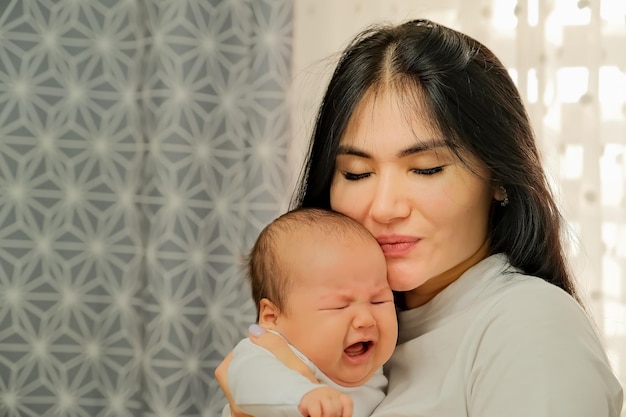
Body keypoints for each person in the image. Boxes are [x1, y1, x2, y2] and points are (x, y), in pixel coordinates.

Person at [217, 18, 624, 416]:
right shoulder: (329, 332)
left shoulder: (531, 327)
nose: (385, 208)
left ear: (498, 177)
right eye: (357, 173)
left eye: (426, 168)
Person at [223, 208, 398, 417]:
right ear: (271, 317)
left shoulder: (385, 366)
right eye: (339, 306)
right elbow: (247, 380)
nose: (366, 319)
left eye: (378, 301)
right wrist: (304, 394)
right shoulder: (267, 352)